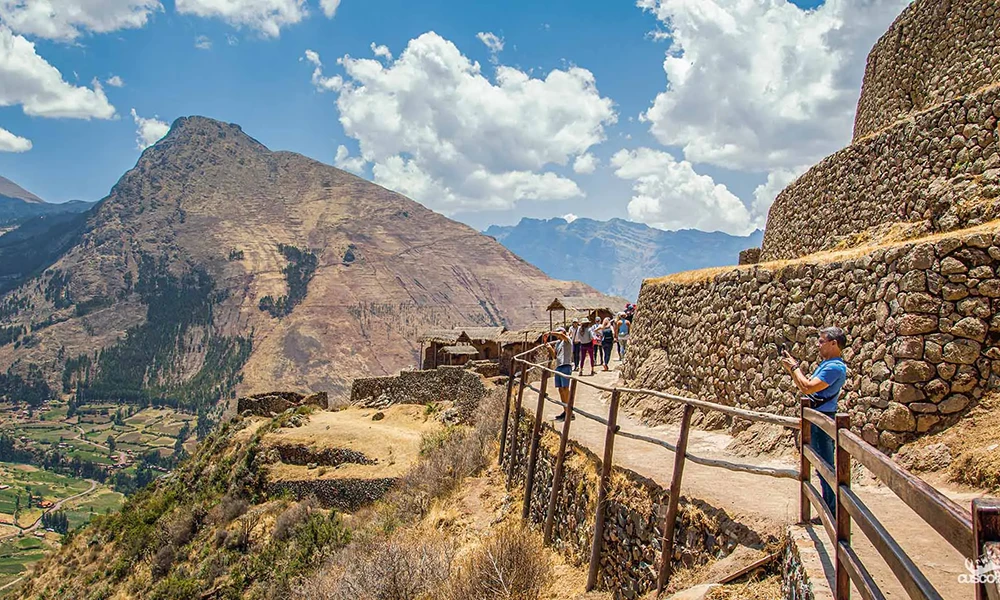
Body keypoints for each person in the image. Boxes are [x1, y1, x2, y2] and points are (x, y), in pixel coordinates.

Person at [781, 326, 848, 517]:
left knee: (824, 466)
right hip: (819, 418)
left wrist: (793, 368)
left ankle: (832, 512)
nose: (818, 345)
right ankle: (830, 509)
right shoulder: (827, 364)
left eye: (821, 341)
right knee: (821, 465)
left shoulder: (834, 367)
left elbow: (808, 387)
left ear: (834, 343)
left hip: (822, 419)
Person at [544, 327, 575, 422]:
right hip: (559, 366)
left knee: (565, 388)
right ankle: (565, 410)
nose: (557, 335)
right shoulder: (558, 343)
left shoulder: (567, 340)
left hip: (566, 366)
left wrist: (550, 333)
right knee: (561, 390)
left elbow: (561, 335)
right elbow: (555, 356)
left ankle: (570, 411)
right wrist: (549, 348)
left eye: (558, 333)